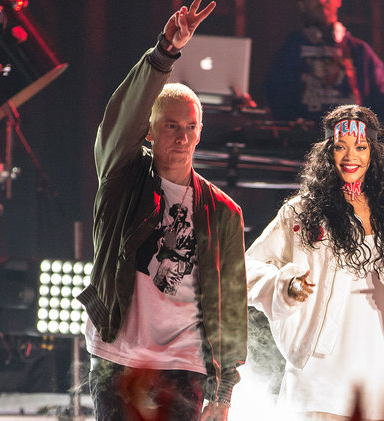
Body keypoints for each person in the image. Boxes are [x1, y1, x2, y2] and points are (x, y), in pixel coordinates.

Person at [76, 2, 248, 420]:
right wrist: (164, 54)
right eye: (171, 126)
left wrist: (224, 391)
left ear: (200, 133)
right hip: (118, 357)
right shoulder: (122, 178)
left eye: (191, 127)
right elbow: (121, 122)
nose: (183, 137)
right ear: (150, 131)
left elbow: (231, 305)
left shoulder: (223, 212)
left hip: (184, 365)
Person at [246, 104, 384, 420]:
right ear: (328, 152)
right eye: (340, 147)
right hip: (316, 385)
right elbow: (247, 270)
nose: (349, 156)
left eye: (360, 147)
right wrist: (286, 285)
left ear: (374, 153)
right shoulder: (300, 214)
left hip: (379, 384)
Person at [264, 0, 384, 132]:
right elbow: (276, 102)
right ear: (302, 4)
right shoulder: (289, 52)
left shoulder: (360, 51)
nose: (321, 1)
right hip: (306, 145)